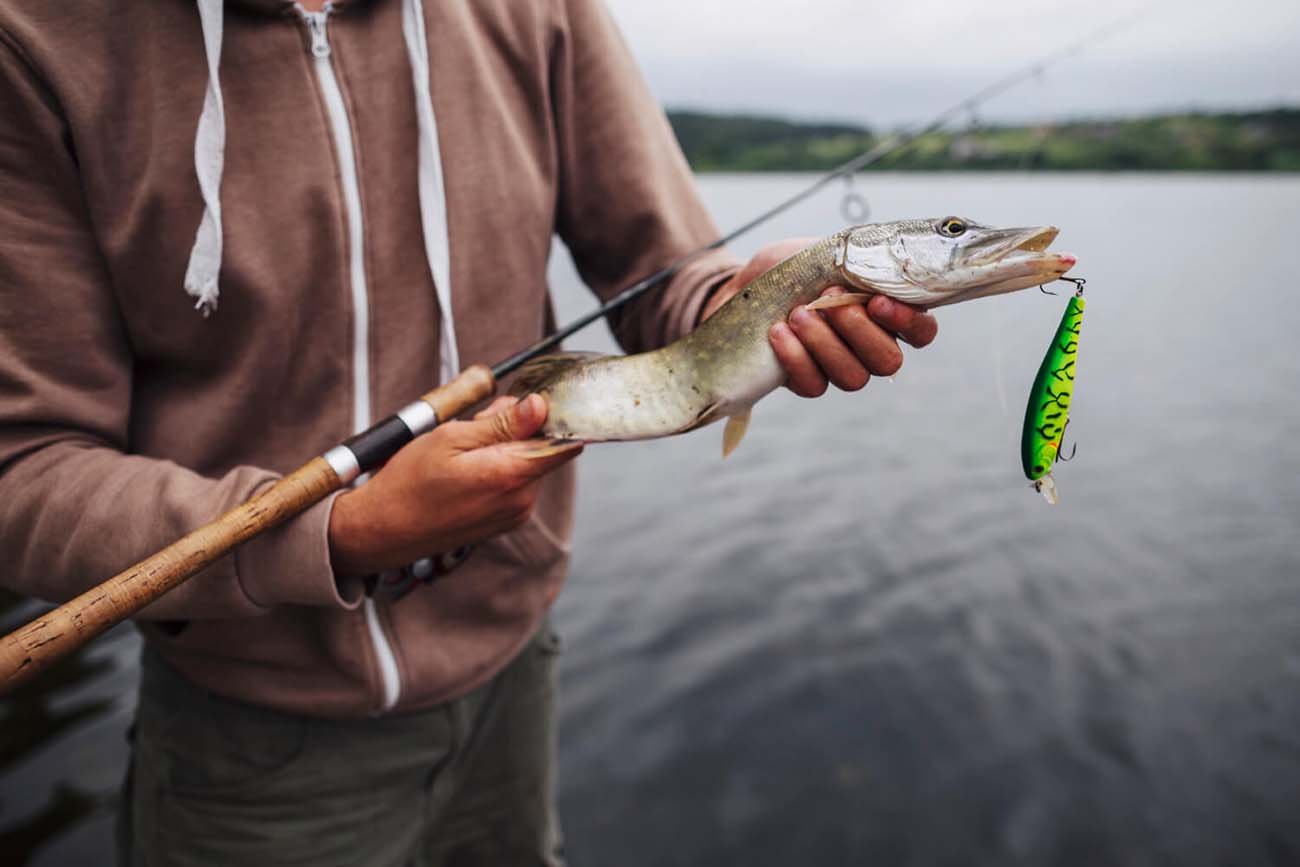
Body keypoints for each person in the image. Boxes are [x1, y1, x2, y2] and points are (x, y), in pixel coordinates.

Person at [0, 0, 937, 864]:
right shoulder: (40, 37)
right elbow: (25, 471)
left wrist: (743, 306)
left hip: (513, 683)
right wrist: (343, 532)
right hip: (248, 740)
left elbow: (671, 272)